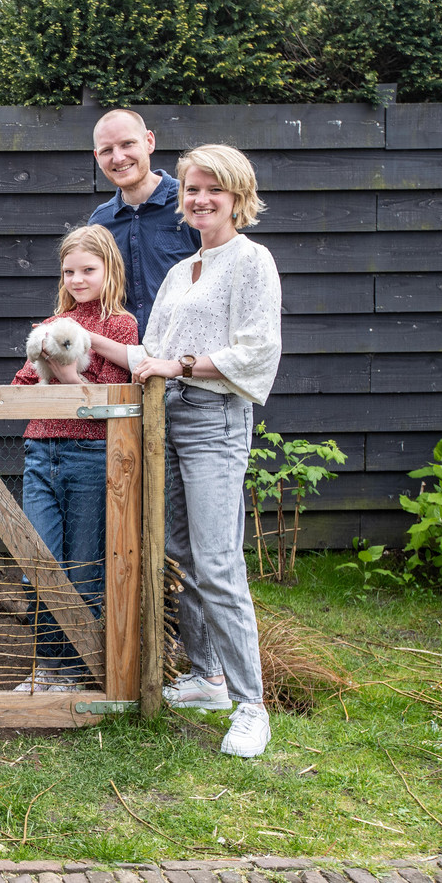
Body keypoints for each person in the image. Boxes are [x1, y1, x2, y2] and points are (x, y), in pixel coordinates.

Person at [90, 144, 282, 758]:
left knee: (218, 560)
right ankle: (207, 678)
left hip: (215, 419)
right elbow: (150, 355)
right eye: (192, 189)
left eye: (212, 190)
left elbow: (256, 352)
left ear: (237, 197)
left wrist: (181, 365)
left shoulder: (251, 262)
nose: (199, 198)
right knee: (181, 551)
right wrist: (81, 338)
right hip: (166, 417)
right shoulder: (182, 272)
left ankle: (253, 706)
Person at [10, 225, 138, 693]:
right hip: (41, 449)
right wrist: (37, 361)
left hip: (89, 454)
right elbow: (22, 384)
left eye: (88, 270)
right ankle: (47, 664)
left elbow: (98, 401)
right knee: (37, 565)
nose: (78, 279)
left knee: (83, 568)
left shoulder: (120, 326)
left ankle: (80, 669)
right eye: (69, 271)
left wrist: (60, 369)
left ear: (109, 270)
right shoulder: (51, 322)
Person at [89, 109, 201, 339]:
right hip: (120, 361)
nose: (118, 158)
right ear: (97, 157)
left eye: (127, 144)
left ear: (149, 141)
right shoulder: (100, 223)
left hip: (185, 358)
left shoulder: (191, 204)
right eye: (107, 150)